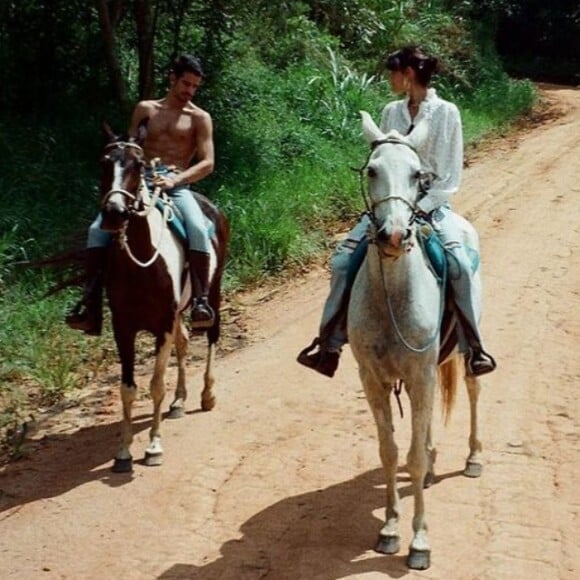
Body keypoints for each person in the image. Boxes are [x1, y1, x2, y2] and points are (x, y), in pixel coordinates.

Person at [297, 45, 496, 378]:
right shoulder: (391, 112)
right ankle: (328, 344)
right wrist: (391, 207)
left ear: (407, 76)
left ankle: (473, 348)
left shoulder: (447, 113)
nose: (390, 79)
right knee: (343, 261)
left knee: (459, 265)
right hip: (388, 207)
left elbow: (449, 177)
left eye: (393, 72)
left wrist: (416, 208)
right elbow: (383, 166)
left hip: (431, 207)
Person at [66, 54, 216, 335]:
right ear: (173, 78)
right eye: (186, 83)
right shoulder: (146, 109)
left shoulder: (200, 118)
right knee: (97, 230)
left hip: (177, 185)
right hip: (139, 184)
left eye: (195, 86)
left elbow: (208, 163)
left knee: (197, 227)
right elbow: (130, 149)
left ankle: (200, 301)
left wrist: (176, 179)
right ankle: (90, 305)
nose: (189, 91)